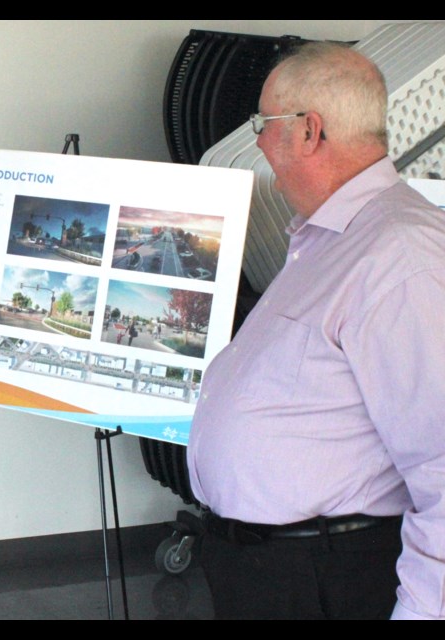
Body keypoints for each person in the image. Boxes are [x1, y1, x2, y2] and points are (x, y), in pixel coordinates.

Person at [187, 42, 445, 620]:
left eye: (263, 123)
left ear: (309, 131)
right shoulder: (333, 237)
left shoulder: (402, 255)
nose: (256, 141)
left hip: (330, 581)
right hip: (277, 574)